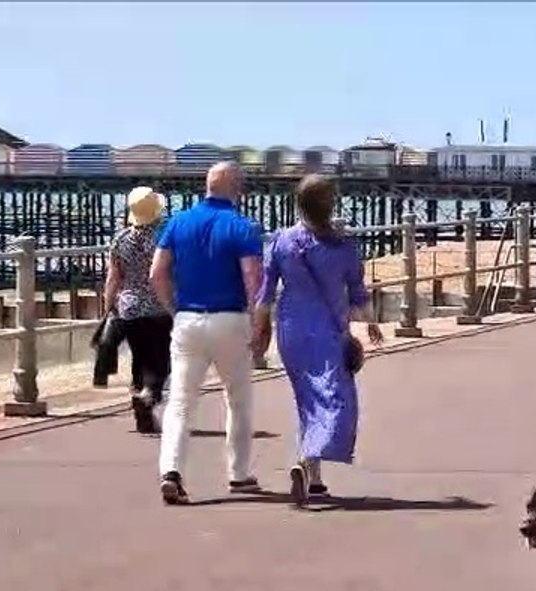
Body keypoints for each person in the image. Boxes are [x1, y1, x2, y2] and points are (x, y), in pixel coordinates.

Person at [252, 175, 383, 505]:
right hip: (327, 330)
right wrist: (370, 323)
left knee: (307, 400)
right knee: (338, 400)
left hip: (291, 328)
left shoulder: (281, 241)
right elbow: (357, 292)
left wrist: (260, 332)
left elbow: (264, 295)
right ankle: (306, 457)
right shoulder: (341, 247)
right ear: (330, 205)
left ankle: (315, 476)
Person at [149, 162, 263, 505]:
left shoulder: (178, 222)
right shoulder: (243, 227)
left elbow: (157, 274)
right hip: (230, 318)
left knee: (180, 402)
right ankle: (238, 474)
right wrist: (258, 321)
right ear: (237, 189)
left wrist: (173, 309)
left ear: (207, 186)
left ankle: (171, 471)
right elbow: (253, 280)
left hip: (188, 320)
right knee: (238, 400)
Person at [103, 186, 173, 433]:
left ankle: (139, 392)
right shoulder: (164, 236)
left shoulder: (120, 239)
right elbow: (172, 271)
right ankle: (148, 396)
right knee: (161, 359)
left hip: (129, 308)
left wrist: (109, 305)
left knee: (139, 356)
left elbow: (113, 278)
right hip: (159, 305)